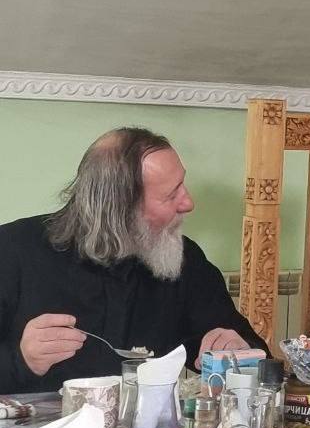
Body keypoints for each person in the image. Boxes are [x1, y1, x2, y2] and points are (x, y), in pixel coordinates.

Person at [0, 128, 267, 391]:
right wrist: (22, 359)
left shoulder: (184, 260)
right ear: (120, 210)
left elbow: (256, 354)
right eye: (171, 194)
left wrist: (238, 349)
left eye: (182, 184)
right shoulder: (12, 250)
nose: (188, 203)